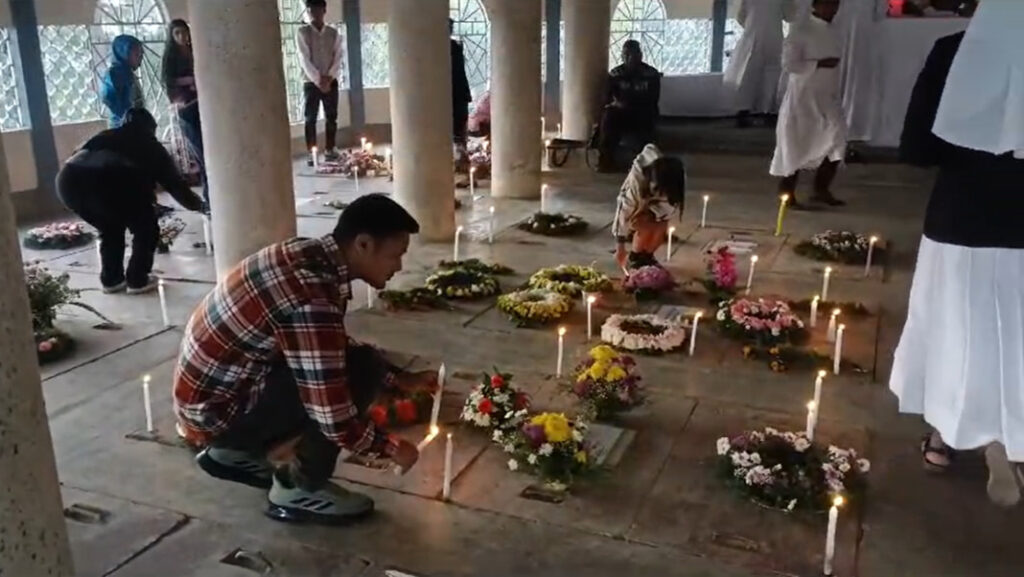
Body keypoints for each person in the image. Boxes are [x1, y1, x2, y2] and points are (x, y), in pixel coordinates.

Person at [174, 194, 435, 525]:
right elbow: (332, 412)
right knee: (358, 372)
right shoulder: (311, 294)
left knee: (360, 361)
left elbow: (326, 345)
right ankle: (299, 489)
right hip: (218, 416)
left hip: (209, 403)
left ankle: (232, 454)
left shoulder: (306, 254)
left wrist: (397, 378)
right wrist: (389, 447)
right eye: (395, 256)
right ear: (364, 244)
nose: (398, 267)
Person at [891, 0, 1024, 507]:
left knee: (959, 331)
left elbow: (917, 148)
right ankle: (1014, 437)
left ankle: (948, 438)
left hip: (963, 221)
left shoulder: (954, 52)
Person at [55, 108, 204, 293]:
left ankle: (112, 280)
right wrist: (200, 206)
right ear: (151, 127)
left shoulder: (104, 135)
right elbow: (175, 185)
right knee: (146, 228)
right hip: (108, 182)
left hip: (68, 183)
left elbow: (79, 156)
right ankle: (138, 279)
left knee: (110, 228)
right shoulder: (151, 145)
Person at [769, 0, 846, 208]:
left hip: (827, 97)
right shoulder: (801, 31)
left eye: (836, 5)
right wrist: (818, 63)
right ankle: (786, 193)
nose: (833, 9)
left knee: (837, 139)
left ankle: (821, 189)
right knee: (796, 143)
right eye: (829, 5)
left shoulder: (835, 31)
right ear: (816, 6)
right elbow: (789, 64)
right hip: (802, 98)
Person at [724, 0, 797, 128]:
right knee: (770, 74)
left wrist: (751, 25)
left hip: (754, 35)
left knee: (749, 73)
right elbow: (791, 15)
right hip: (771, 37)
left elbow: (741, 16)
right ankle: (766, 111)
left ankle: (746, 111)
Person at [612, 144, 686, 270]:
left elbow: (670, 205)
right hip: (638, 207)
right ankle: (635, 256)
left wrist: (657, 215)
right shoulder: (636, 185)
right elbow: (622, 213)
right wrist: (620, 246)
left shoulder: (671, 176)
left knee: (659, 229)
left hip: (654, 207)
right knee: (645, 227)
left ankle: (647, 256)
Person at [161, 19, 208, 204]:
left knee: (209, 154)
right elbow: (169, 82)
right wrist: (189, 81)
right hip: (187, 108)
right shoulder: (171, 57)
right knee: (201, 154)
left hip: (201, 104)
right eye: (177, 33)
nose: (182, 37)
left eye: (184, 32)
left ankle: (212, 197)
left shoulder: (194, 51)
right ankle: (208, 200)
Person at [598, 40, 662, 172]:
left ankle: (644, 165)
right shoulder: (616, 74)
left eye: (633, 54)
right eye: (626, 54)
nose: (629, 58)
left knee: (646, 119)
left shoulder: (650, 74)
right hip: (622, 113)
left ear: (640, 55)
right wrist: (617, 104)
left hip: (642, 112)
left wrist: (633, 102)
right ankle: (606, 161)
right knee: (609, 117)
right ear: (622, 56)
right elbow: (608, 98)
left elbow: (653, 99)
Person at [296, 0, 344, 165]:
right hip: (311, 82)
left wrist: (329, 77)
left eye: (317, 9)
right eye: (310, 10)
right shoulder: (303, 33)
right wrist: (318, 79)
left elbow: (338, 57)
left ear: (323, 10)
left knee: (332, 117)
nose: (313, 13)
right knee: (311, 118)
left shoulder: (333, 33)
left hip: (331, 81)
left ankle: (330, 149)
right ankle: (312, 152)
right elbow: (304, 59)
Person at [101, 35, 145, 129]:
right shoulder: (114, 75)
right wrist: (125, 116)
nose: (140, 59)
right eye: (136, 55)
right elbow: (108, 98)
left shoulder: (130, 74)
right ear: (123, 53)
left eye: (141, 55)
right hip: (121, 127)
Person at [450, 19, 473, 148]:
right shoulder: (435, 48)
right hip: (448, 91)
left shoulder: (456, 47)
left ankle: (461, 155)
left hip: (458, 91)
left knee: (459, 124)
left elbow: (460, 71)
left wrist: (466, 92)